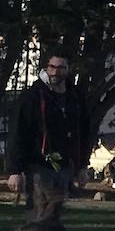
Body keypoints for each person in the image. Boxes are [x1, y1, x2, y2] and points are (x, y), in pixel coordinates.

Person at [9, 54, 86, 211]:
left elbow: (83, 132)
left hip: (64, 166)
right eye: (52, 67)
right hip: (38, 164)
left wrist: (82, 166)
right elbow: (18, 133)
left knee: (55, 214)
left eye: (60, 68)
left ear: (67, 69)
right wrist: (15, 170)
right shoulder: (33, 96)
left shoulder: (75, 97)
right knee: (40, 212)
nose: (55, 72)